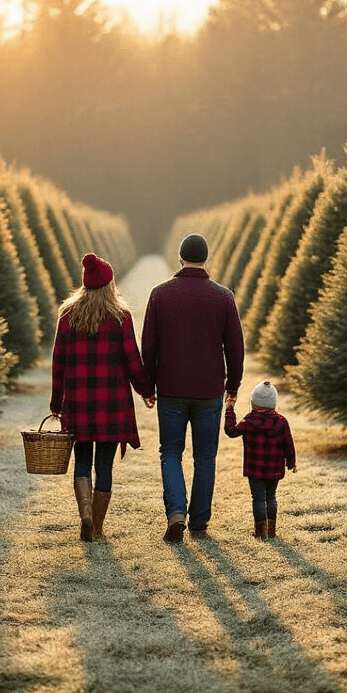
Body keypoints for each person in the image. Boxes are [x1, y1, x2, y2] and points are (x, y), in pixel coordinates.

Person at [141, 232, 244, 542]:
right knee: (205, 458)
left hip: (171, 388)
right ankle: (199, 524)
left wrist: (148, 386)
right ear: (206, 259)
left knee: (170, 453)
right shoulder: (223, 296)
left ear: (181, 258)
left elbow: (149, 345)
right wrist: (234, 384)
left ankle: (175, 513)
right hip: (209, 390)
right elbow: (235, 346)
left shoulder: (161, 294)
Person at [51, 253, 154, 542]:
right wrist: (146, 391)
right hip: (111, 404)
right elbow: (133, 361)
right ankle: (96, 527)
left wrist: (56, 403)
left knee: (82, 462)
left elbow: (58, 362)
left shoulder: (68, 315)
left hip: (79, 403)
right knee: (105, 466)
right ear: (110, 285)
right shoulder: (120, 317)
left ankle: (84, 514)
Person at [224, 381, 297, 539]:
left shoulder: (249, 421)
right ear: (274, 403)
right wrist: (291, 462)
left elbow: (231, 431)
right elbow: (288, 444)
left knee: (258, 499)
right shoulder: (281, 421)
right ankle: (271, 532)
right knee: (271, 497)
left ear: (253, 403)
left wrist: (229, 409)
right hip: (274, 469)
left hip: (254, 469)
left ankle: (260, 533)